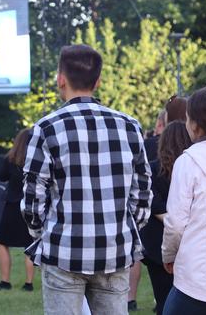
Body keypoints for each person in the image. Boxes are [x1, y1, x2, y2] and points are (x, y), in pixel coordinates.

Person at [22, 45, 152, 315]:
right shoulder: (130, 126)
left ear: (60, 79)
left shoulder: (46, 128)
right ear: (98, 81)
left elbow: (33, 198)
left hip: (63, 250)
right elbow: (142, 194)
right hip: (115, 249)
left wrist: (42, 232)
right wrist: (123, 227)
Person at [162, 87, 206, 314]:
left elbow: (176, 223)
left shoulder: (188, 162)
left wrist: (168, 255)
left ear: (196, 124)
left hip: (194, 281)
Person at [139, 122, 191, 314]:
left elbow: (154, 204)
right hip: (188, 240)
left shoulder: (152, 170)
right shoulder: (191, 169)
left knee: (163, 300)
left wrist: (170, 220)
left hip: (156, 246)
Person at [0, 128, 35, 292]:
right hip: (31, 205)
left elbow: (1, 176)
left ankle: (5, 281)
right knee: (30, 244)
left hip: (12, 206)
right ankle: (29, 283)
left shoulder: (11, 160)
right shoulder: (37, 160)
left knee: (1, 242)